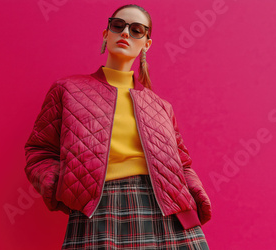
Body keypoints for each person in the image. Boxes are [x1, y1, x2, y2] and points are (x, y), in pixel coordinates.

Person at [24, 4, 212, 249]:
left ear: (147, 44)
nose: (125, 33)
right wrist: (66, 187)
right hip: (100, 207)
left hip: (168, 209)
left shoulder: (160, 106)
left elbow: (183, 163)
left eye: (136, 30)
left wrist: (196, 196)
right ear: (106, 34)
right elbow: (39, 151)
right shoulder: (68, 90)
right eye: (118, 25)